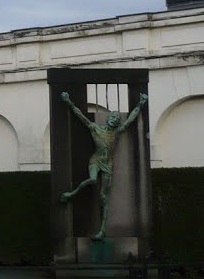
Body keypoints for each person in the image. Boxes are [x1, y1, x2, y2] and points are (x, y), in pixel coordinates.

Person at [59, 91, 148, 240]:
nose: (114, 119)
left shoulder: (117, 132)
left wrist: (140, 104)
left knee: (103, 197)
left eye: (117, 118)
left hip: (108, 164)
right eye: (112, 116)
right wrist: (69, 102)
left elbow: (130, 120)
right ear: (107, 118)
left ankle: (102, 231)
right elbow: (80, 116)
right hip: (96, 160)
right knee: (93, 180)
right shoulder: (95, 128)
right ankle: (72, 194)